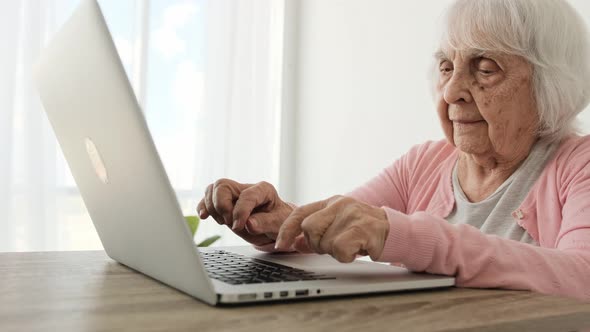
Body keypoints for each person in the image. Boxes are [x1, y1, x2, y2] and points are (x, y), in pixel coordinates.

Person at [197, 0, 590, 300]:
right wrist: (279, 221)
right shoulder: (423, 163)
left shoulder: (578, 165)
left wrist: (404, 235)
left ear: (549, 85)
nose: (452, 91)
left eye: (485, 69)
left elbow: (582, 275)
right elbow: (337, 230)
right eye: (446, 67)